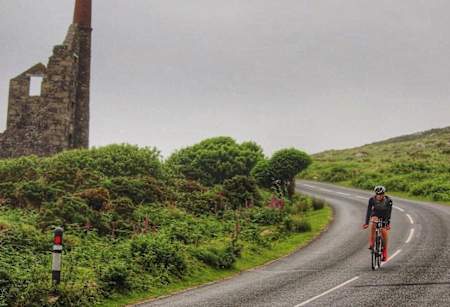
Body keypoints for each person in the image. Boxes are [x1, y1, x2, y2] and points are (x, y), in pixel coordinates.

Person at [362, 186, 392, 261]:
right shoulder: (372, 199)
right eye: (377, 194)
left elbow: (389, 213)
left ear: (384, 194)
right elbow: (369, 211)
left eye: (381, 194)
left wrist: (387, 223)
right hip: (375, 214)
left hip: (384, 215)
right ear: (375, 194)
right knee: (373, 223)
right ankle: (372, 243)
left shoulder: (388, 200)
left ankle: (384, 252)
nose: (379, 196)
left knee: (383, 231)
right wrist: (366, 223)